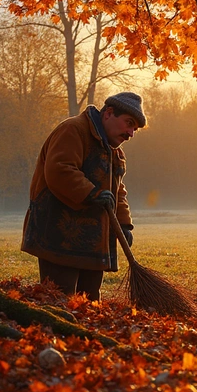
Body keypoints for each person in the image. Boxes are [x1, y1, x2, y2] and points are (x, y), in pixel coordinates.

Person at [21, 92, 147, 301]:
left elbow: (118, 190)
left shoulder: (114, 151)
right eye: (128, 123)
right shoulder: (73, 130)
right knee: (60, 298)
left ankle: (87, 334)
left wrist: (124, 225)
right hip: (58, 236)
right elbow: (59, 170)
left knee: (89, 301)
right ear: (108, 113)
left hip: (92, 242)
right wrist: (92, 193)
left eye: (134, 128)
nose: (130, 133)